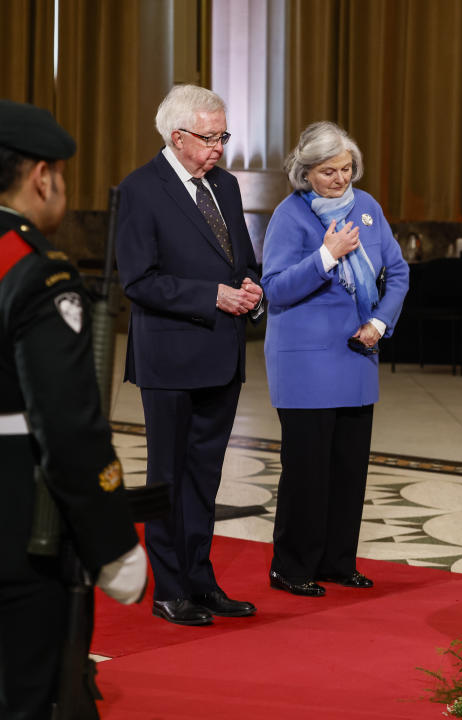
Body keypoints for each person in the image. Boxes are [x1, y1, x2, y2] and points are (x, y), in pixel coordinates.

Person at [0, 100, 146, 718]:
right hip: (14, 531)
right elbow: (67, 426)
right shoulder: (36, 273)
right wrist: (113, 544)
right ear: (42, 176)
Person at [115, 85, 263, 626]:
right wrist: (212, 296)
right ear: (177, 137)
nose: (220, 146)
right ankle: (169, 589)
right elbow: (138, 280)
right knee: (167, 478)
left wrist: (251, 287)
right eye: (210, 136)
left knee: (205, 477)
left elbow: (242, 259)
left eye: (223, 135)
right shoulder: (140, 189)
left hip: (222, 355)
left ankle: (201, 581)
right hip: (170, 359)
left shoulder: (224, 184)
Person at [261, 122, 408, 597]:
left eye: (346, 169)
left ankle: (337, 561)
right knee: (307, 471)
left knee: (348, 469)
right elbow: (276, 288)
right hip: (305, 362)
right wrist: (325, 256)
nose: (340, 179)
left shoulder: (367, 210)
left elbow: (399, 272)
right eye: (328, 171)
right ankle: (291, 565)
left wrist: (381, 322)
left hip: (355, 355)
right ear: (305, 172)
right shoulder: (290, 215)